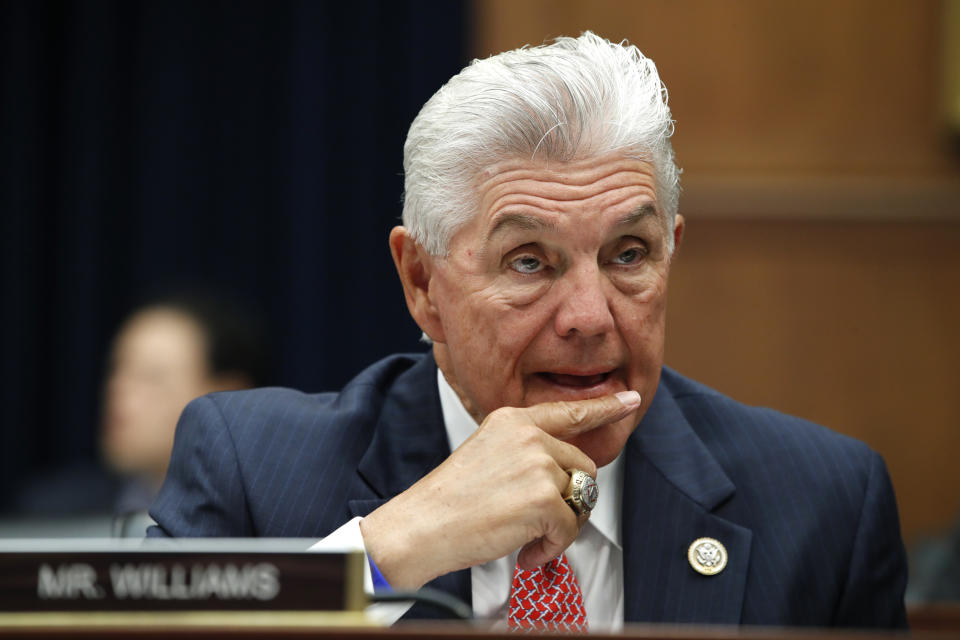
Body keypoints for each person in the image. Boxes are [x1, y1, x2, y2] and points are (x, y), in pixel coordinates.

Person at [148, 33, 908, 629]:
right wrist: (387, 554)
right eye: (528, 263)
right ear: (422, 283)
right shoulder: (255, 471)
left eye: (629, 255)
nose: (590, 316)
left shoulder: (822, 505)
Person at [8, 293, 269, 536]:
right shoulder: (50, 516)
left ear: (229, 393)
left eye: (152, 377)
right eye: (117, 370)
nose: (118, 390)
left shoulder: (277, 522)